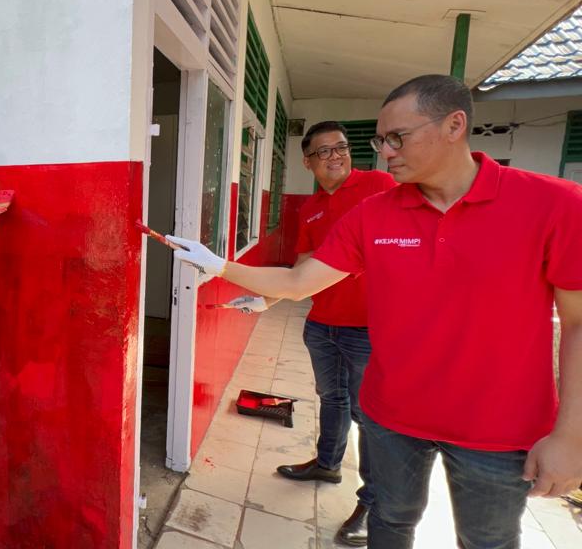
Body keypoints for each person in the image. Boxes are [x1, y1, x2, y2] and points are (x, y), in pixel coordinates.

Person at [166, 74, 582, 549]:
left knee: (486, 541)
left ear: (454, 125)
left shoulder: (554, 205)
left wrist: (571, 435)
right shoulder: (374, 215)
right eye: (380, 140)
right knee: (390, 523)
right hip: (393, 417)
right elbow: (302, 280)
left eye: (397, 138)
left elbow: (578, 323)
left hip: (499, 430)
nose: (385, 151)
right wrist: (218, 265)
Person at [271, 121, 396, 547]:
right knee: (333, 398)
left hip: (368, 327)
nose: (335, 156)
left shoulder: (380, 184)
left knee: (370, 417)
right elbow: (303, 270)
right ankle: (327, 463)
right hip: (323, 324)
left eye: (340, 147)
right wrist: (267, 296)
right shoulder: (309, 210)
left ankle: (373, 503)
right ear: (307, 162)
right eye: (323, 152)